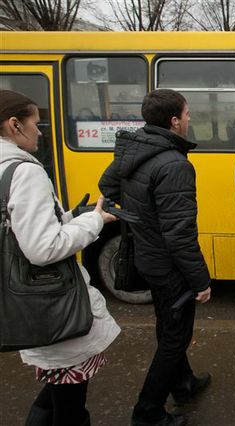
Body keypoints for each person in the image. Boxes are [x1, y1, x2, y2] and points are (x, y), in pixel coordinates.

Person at [0, 89, 121, 426]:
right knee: (69, 406)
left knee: (55, 394)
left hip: (18, 297)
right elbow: (43, 249)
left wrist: (70, 216)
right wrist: (94, 220)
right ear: (14, 125)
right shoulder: (25, 171)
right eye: (35, 123)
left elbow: (16, 230)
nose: (40, 131)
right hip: (50, 305)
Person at [99, 89, 211, 426]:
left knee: (169, 327)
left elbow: (108, 187)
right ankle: (147, 412)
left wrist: (140, 217)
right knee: (174, 337)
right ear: (174, 121)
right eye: (187, 114)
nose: (190, 119)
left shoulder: (135, 148)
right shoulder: (174, 164)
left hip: (147, 258)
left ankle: (184, 383)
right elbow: (179, 234)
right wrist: (201, 280)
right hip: (168, 266)